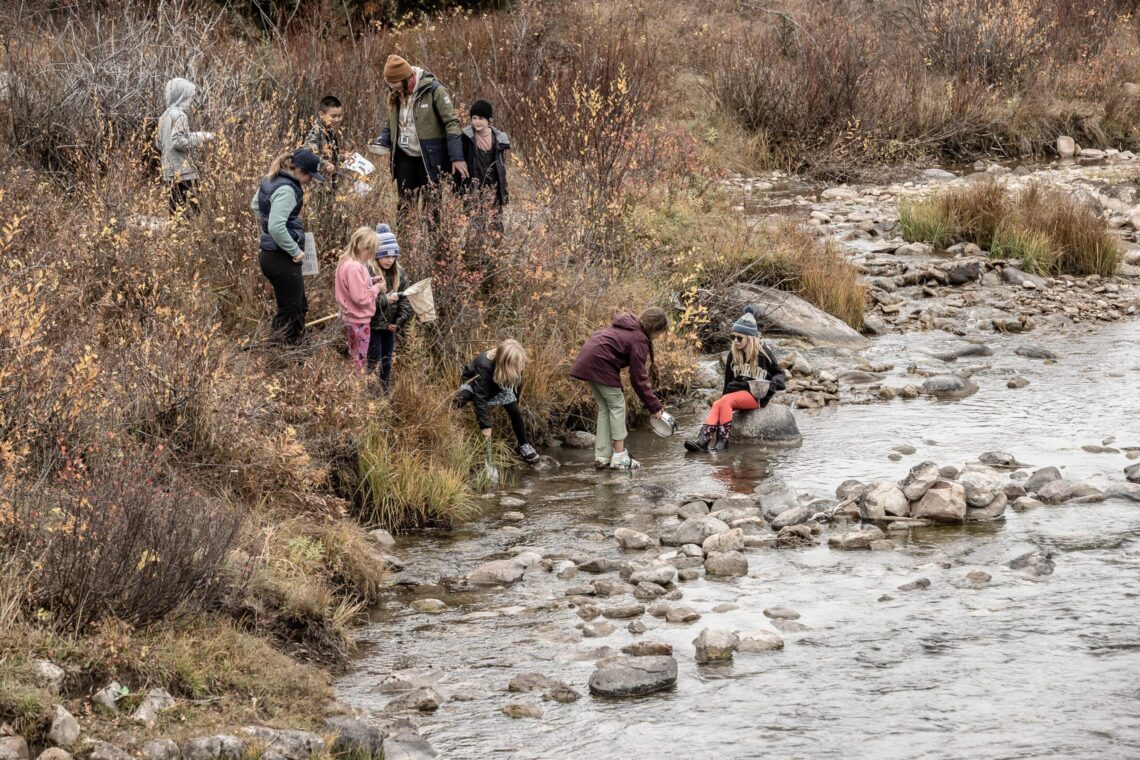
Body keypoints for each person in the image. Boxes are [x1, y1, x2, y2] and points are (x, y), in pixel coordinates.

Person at [569, 308, 668, 470]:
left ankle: (602, 456)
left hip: (586, 360)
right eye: (660, 333)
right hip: (600, 364)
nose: (658, 337)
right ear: (655, 329)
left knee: (605, 408)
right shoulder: (639, 338)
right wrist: (654, 405)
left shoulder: (629, 326)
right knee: (617, 406)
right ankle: (620, 455)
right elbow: (638, 378)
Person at [368, 54, 466, 213]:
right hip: (405, 157)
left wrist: (457, 157)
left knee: (432, 208)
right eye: (390, 83)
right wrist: (382, 140)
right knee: (404, 206)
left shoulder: (435, 91)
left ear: (407, 77)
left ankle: (433, 238)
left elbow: (452, 123)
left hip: (430, 158)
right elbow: (391, 124)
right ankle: (403, 238)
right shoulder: (395, 94)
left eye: (396, 83)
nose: (394, 87)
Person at [684, 306, 786, 453]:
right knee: (718, 403)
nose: (736, 341)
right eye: (733, 337)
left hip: (757, 395)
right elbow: (728, 381)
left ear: (750, 338)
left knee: (725, 401)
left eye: (739, 338)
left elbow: (780, 374)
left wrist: (772, 385)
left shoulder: (763, 353)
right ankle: (703, 441)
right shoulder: (734, 354)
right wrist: (724, 399)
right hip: (738, 393)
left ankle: (723, 442)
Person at [250, 147, 324, 344]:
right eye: (310, 176)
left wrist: (272, 222)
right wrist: (295, 250)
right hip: (281, 256)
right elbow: (275, 225)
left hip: (270, 254)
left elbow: (256, 206)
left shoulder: (271, 178)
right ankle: (279, 355)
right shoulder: (288, 189)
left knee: (299, 305)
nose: (310, 182)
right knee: (290, 311)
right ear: (300, 171)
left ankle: (295, 351)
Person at [456, 339, 540, 464]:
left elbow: (517, 385)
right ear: (504, 360)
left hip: (498, 384)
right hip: (474, 384)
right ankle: (446, 417)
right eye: (514, 364)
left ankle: (524, 445)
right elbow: (480, 396)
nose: (518, 366)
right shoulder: (484, 364)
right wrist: (485, 425)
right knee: (461, 399)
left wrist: (514, 401)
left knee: (516, 413)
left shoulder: (516, 361)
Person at [155, 77, 214, 215]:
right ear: (182, 96)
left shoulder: (164, 116)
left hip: (168, 170)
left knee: (174, 208)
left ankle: (177, 234)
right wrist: (201, 136)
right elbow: (178, 142)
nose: (190, 100)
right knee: (196, 208)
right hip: (184, 172)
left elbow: (159, 143)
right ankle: (191, 233)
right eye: (189, 96)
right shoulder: (180, 115)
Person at [367, 223, 412, 389]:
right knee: (373, 361)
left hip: (390, 327)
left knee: (387, 363)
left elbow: (405, 299)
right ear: (377, 254)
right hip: (372, 326)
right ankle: (370, 396)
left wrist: (399, 321)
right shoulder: (369, 271)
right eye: (385, 255)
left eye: (393, 256)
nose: (389, 259)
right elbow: (364, 300)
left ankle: (383, 395)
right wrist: (386, 299)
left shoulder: (399, 272)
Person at [334, 227, 383, 371]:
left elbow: (353, 287)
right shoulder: (356, 268)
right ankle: (355, 389)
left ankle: (351, 387)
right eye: (371, 250)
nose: (372, 255)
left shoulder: (345, 262)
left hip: (348, 318)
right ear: (364, 248)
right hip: (358, 322)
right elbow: (361, 298)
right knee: (359, 361)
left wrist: (371, 281)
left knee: (353, 357)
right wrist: (377, 288)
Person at [458, 99, 510, 221]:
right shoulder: (466, 137)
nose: (477, 122)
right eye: (474, 118)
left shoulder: (498, 139)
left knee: (495, 223)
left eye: (481, 118)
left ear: (489, 120)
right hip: (473, 187)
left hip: (493, 187)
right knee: (474, 222)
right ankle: (475, 241)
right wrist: (462, 188)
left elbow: (501, 168)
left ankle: (497, 240)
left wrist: (503, 188)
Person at [303, 95, 344, 185]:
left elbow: (331, 157)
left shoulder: (330, 131)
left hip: (330, 181)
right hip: (317, 183)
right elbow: (309, 155)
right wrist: (325, 164)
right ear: (321, 115)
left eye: (339, 116)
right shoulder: (316, 131)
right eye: (333, 116)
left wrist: (344, 157)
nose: (337, 119)